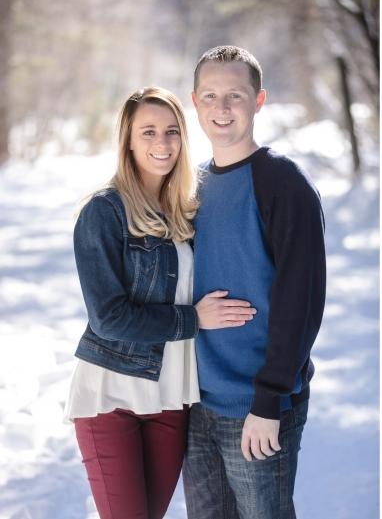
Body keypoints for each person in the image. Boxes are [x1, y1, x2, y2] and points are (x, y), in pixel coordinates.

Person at [64, 86, 256, 519]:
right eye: (147, 132)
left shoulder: (186, 212)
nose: (162, 143)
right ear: (128, 141)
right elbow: (108, 317)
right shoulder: (104, 212)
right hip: (111, 396)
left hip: (172, 398)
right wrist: (193, 320)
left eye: (171, 131)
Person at [182, 46, 326, 519]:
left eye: (235, 96)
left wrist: (268, 401)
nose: (222, 109)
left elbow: (300, 303)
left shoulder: (283, 183)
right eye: (210, 96)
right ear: (195, 102)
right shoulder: (192, 187)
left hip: (258, 408)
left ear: (259, 101)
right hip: (195, 405)